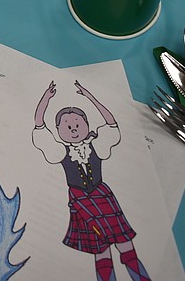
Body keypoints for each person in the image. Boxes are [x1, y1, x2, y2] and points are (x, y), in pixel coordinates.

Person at [32, 80, 150, 281]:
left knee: (125, 244)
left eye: (78, 124)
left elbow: (112, 123)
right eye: (67, 126)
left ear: (87, 125)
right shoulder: (60, 151)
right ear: (58, 130)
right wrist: (45, 99)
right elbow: (39, 126)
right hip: (81, 201)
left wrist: (90, 97)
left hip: (102, 196)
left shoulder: (98, 145)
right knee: (100, 250)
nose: (74, 129)